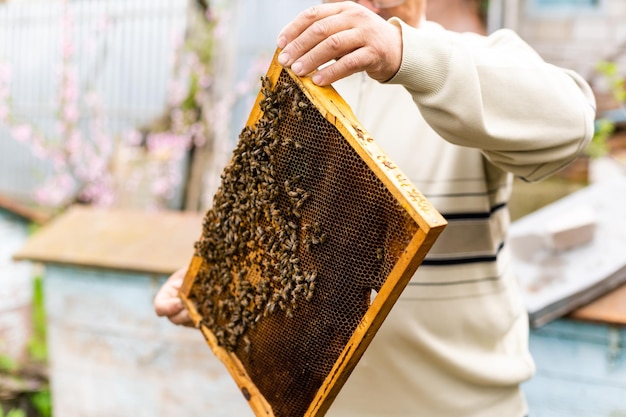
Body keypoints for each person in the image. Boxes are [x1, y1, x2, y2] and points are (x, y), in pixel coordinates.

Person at [155, 1, 596, 416]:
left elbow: (571, 124)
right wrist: (218, 289)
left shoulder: (474, 59)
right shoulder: (299, 86)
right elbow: (288, 246)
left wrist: (404, 55)